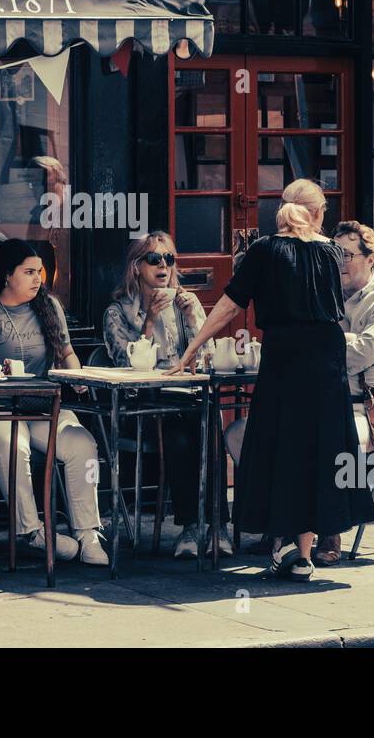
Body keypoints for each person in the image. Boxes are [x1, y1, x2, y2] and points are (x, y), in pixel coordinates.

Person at [171, 183, 374, 581]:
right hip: (326, 360)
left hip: (286, 357)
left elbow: (229, 305)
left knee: (282, 447)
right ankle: (302, 553)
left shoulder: (264, 250)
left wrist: (191, 350)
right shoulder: (330, 252)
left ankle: (285, 545)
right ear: (316, 213)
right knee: (319, 451)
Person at [0, 239, 108, 565]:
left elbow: (67, 352)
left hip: (42, 405)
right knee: (17, 445)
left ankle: (87, 532)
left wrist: (79, 380)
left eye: (39, 272)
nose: (37, 278)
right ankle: (31, 532)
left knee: (83, 444)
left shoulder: (49, 306)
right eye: (28, 272)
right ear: (7, 275)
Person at [103, 232, 231, 559]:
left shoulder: (182, 303)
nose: (163, 265)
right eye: (154, 259)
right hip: (142, 406)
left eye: (169, 259)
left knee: (207, 421)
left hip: (188, 399)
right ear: (136, 267)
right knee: (184, 428)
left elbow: (210, 357)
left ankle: (217, 527)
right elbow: (125, 366)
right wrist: (151, 320)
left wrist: (194, 318)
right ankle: (191, 526)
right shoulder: (117, 312)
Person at [310, 219, 374, 567]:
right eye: (334, 255)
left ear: (371, 258)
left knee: (336, 439)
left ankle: (330, 528)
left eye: (347, 255)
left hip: (368, 405)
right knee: (248, 432)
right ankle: (282, 528)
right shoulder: (323, 294)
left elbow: (361, 354)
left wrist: (327, 345)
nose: (339, 263)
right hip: (321, 397)